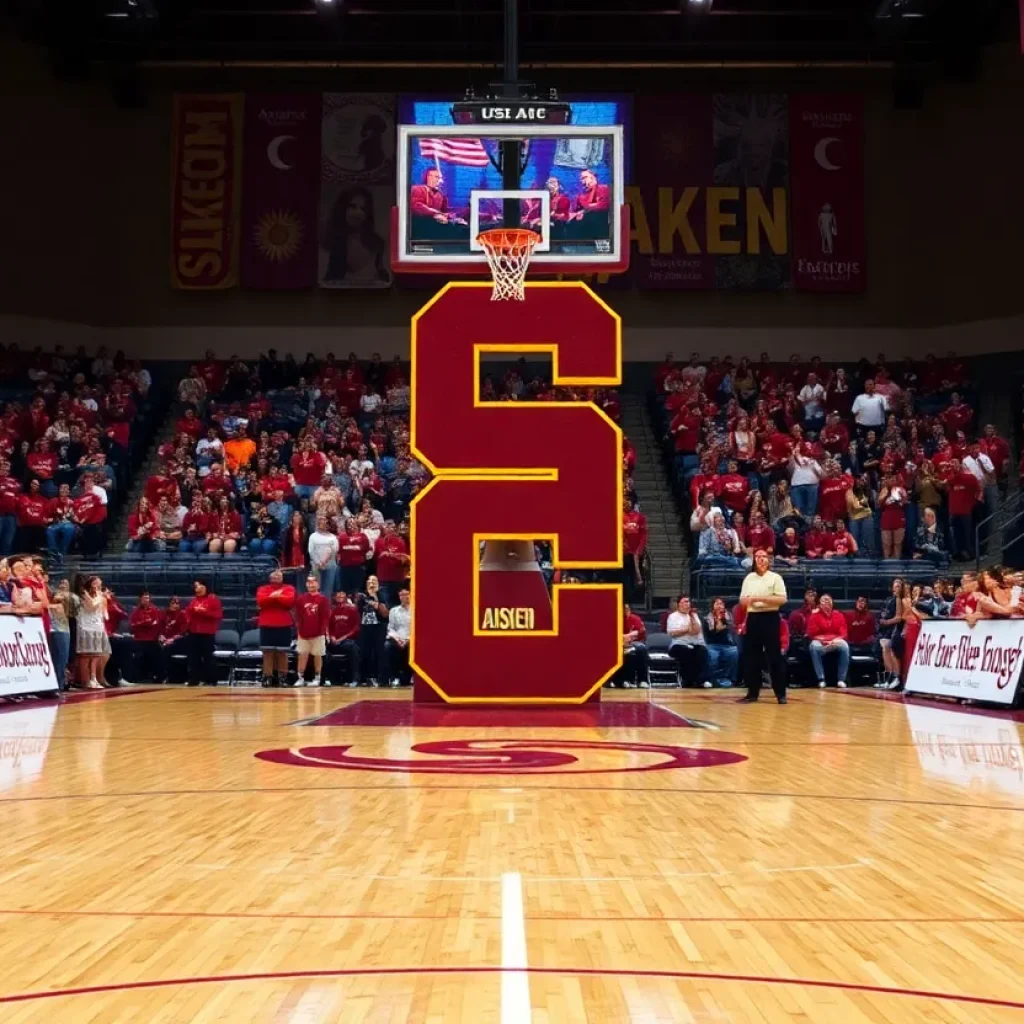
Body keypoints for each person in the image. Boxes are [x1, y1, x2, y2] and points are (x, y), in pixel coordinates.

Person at [737, 549, 788, 704]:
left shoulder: (775, 578)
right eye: (758, 557)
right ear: (754, 560)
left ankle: (780, 694)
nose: (761, 559)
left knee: (774, 657)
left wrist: (758, 598)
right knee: (751, 657)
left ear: (768, 560)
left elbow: (781, 599)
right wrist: (760, 600)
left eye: (764, 557)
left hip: (770, 618)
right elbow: (742, 601)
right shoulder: (749, 578)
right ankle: (752, 693)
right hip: (753, 618)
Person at [256, 569, 296, 688]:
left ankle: (282, 676)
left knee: (282, 652)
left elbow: (289, 601)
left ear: (283, 578)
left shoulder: (289, 588)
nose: (277, 577)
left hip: (283, 624)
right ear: (270, 577)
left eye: (279, 575)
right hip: (267, 623)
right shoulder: (262, 589)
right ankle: (267, 676)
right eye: (275, 575)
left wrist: (272, 597)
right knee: (267, 652)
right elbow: (261, 601)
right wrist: (277, 596)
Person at [184, 578, 223, 686]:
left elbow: (218, 615)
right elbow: (187, 614)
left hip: (207, 632)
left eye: (200, 585)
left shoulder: (213, 599)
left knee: (208, 657)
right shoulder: (193, 601)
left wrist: (204, 612)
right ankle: (194, 679)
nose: (198, 588)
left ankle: (211, 679)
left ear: (206, 587)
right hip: (194, 631)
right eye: (196, 586)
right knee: (193, 657)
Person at [806, 593, 850, 688]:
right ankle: (821, 678)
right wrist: (825, 641)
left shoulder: (839, 615)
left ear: (832, 603)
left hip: (835, 641)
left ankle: (841, 679)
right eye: (824, 599)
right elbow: (811, 634)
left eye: (829, 599)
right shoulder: (814, 616)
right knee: (814, 646)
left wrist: (834, 641)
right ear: (819, 604)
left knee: (845, 646)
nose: (827, 601)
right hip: (820, 641)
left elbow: (844, 633)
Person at [666, 596, 710, 689]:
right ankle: (687, 680)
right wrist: (686, 629)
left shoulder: (694, 615)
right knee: (686, 652)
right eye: (685, 601)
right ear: (679, 604)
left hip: (694, 643)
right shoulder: (673, 616)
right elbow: (672, 633)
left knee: (702, 651)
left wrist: (692, 619)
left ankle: (702, 680)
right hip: (678, 644)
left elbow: (696, 631)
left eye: (689, 601)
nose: (688, 603)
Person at [295, 575, 331, 687]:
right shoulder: (301, 599)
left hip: (318, 634)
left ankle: (317, 677)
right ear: (306, 584)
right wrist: (300, 630)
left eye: (313, 582)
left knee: (318, 655)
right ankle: (300, 678)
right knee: (302, 655)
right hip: (303, 634)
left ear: (318, 585)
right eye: (309, 582)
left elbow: (325, 617)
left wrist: (321, 632)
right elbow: (298, 616)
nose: (311, 584)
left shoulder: (323, 599)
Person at [76, 575, 110, 690]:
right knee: (85, 656)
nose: (98, 586)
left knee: (96, 655)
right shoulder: (84, 593)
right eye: (96, 583)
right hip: (86, 627)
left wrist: (102, 599)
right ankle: (85, 680)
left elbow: (103, 614)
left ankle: (93, 678)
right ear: (90, 583)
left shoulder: (99, 596)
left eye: (100, 584)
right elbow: (91, 606)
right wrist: (101, 596)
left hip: (97, 627)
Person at [356, 574, 389, 686]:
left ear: (378, 584)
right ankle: (363, 678)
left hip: (378, 627)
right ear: (366, 584)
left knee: (379, 652)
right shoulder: (361, 595)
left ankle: (381, 679)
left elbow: (385, 614)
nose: (372, 583)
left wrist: (375, 598)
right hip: (364, 627)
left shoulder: (382, 594)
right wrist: (368, 595)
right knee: (364, 653)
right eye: (370, 581)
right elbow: (357, 610)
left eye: (374, 581)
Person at [129, 591, 165, 683]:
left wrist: (143, 624)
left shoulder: (155, 610)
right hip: (139, 639)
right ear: (140, 599)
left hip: (152, 639)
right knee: (138, 656)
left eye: (148, 598)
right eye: (144, 598)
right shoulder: (136, 611)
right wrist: (144, 623)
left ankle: (157, 677)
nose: (146, 600)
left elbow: (156, 624)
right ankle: (138, 677)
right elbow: (132, 626)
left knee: (156, 654)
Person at [328, 590, 361, 687]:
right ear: (334, 597)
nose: (340, 595)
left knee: (353, 648)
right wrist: (332, 637)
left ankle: (355, 679)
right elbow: (329, 627)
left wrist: (343, 638)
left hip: (347, 641)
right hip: (334, 641)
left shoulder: (352, 609)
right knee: (321, 648)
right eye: (338, 594)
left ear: (346, 596)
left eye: (343, 593)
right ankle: (330, 679)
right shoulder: (332, 610)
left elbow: (356, 628)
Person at [704, 597, 739, 688]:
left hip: (727, 644)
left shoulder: (728, 615)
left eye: (721, 604)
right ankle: (712, 679)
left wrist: (723, 619)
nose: (720, 606)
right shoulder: (708, 617)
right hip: (712, 644)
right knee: (713, 656)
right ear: (712, 606)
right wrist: (719, 619)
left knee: (735, 653)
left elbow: (731, 627)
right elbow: (714, 631)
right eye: (717, 604)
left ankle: (729, 678)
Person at [877, 578, 905, 689]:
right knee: (885, 649)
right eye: (895, 585)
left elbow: (899, 618)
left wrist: (887, 622)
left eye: (899, 585)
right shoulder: (890, 599)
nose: (896, 587)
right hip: (888, 628)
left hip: (896, 628)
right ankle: (889, 677)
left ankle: (896, 677)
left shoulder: (899, 599)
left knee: (891, 651)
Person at [47, 576, 73, 692]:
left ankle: (61, 684)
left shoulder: (67, 604)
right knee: (59, 659)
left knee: (63, 659)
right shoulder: (52, 605)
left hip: (65, 630)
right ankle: (57, 684)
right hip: (56, 631)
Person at [384, 587, 412, 687]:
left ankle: (410, 676)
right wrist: (397, 639)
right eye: (402, 595)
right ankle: (394, 677)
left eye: (406, 594)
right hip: (398, 638)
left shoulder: (416, 609)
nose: (404, 597)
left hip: (411, 639)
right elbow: (391, 628)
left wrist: (408, 639)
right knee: (388, 646)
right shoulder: (393, 610)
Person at [158, 596, 188, 684]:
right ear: (169, 605)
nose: (175, 605)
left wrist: (172, 639)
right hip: (164, 640)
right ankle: (156, 675)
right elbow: (159, 628)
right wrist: (160, 635)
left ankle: (167, 676)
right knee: (154, 647)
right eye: (173, 603)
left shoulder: (183, 615)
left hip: (179, 641)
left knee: (166, 649)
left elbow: (183, 632)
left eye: (177, 604)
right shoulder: (163, 614)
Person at [308, 515, 339, 598]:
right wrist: (319, 563)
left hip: (330, 566)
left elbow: (334, 551)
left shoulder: (333, 537)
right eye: (320, 521)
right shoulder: (313, 536)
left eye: (324, 521)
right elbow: (311, 551)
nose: (322, 523)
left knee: (327, 591)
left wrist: (325, 562)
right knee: (315, 589)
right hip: (316, 566)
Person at [620, 602, 649, 688]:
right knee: (628, 653)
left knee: (641, 649)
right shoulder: (616, 618)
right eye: (624, 609)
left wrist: (634, 634)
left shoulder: (636, 618)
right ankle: (626, 680)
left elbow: (642, 631)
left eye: (627, 609)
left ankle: (642, 680)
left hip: (635, 642)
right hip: (620, 642)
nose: (626, 611)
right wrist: (624, 637)